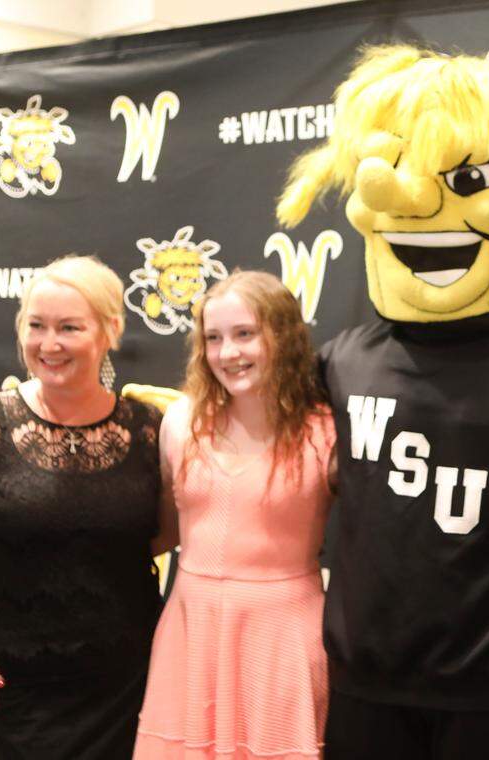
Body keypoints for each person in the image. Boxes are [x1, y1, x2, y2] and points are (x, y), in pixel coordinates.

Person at [276, 44, 489, 760]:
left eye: (470, 179)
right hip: (363, 684)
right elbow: (260, 425)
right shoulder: (347, 356)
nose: (406, 198)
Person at [0, 255, 168, 758]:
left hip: (135, 687)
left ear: (110, 330)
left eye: (70, 327)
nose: (49, 343)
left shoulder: (149, 429)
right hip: (22, 697)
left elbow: (164, 533)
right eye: (36, 325)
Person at [132, 270, 336, 760]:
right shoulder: (181, 422)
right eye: (214, 338)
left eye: (245, 334)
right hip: (190, 630)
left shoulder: (327, 434)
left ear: (283, 335)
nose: (228, 353)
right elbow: (163, 530)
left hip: (283, 637)